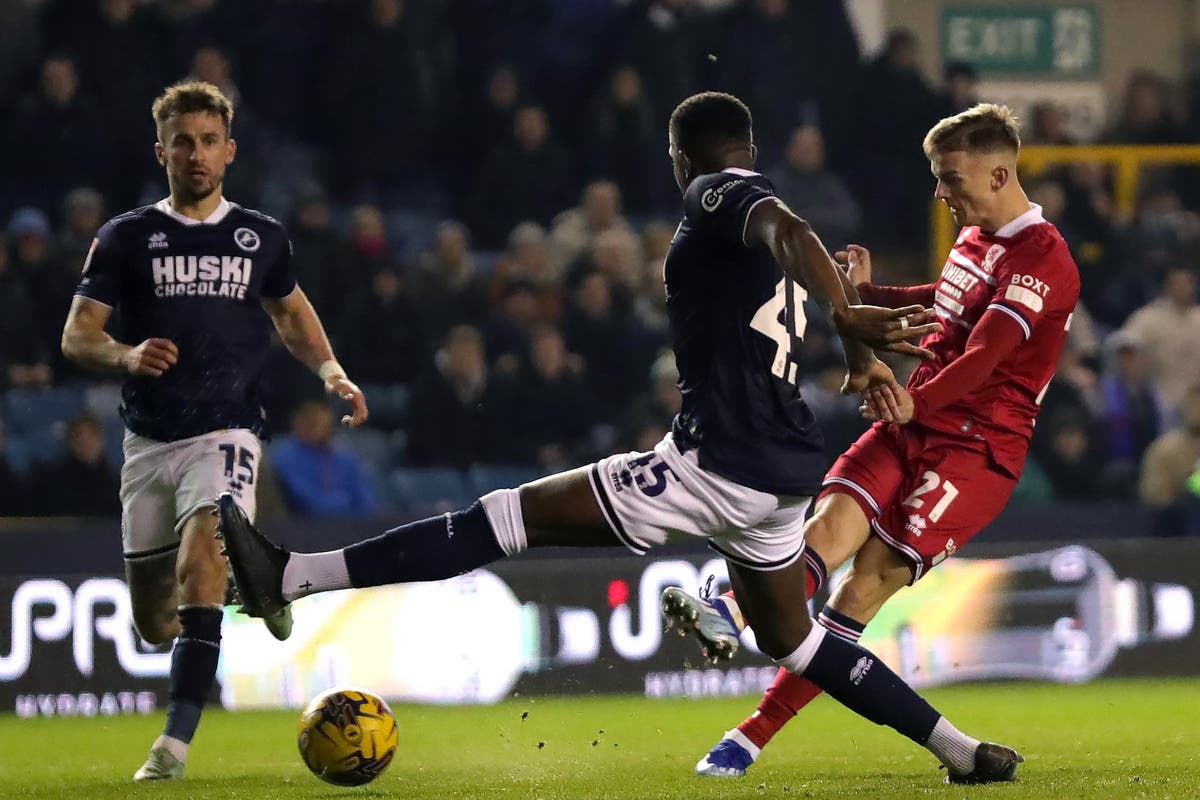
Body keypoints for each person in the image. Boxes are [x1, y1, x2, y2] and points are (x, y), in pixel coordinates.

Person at [220, 91, 1021, 786]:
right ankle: (960, 750)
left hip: (715, 462)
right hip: (782, 475)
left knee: (501, 519)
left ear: (681, 157)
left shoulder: (719, 194)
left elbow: (784, 227)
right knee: (793, 638)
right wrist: (851, 343)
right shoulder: (767, 216)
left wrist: (848, 320)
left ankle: (289, 577)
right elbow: (797, 242)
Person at [660, 103, 1080, 778]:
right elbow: (943, 304)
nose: (940, 192)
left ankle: (750, 736)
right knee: (824, 534)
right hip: (914, 423)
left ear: (1000, 173)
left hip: (977, 453)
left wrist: (915, 398)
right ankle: (731, 608)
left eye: (950, 177)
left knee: (862, 590)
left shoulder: (1045, 260)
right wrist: (866, 292)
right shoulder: (975, 239)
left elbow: (986, 357)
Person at [59, 81, 367, 783]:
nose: (195, 154)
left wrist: (331, 371)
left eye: (207, 141)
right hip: (148, 442)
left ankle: (171, 748)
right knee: (156, 623)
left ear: (229, 151)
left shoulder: (261, 236)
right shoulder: (126, 237)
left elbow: (290, 312)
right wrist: (125, 354)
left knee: (205, 549)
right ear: (160, 149)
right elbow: (79, 335)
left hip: (226, 432)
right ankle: (257, 589)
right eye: (182, 141)